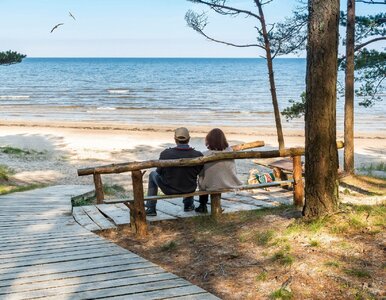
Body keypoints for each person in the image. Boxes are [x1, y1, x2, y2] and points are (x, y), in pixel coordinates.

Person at [145, 127, 203, 216]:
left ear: (175, 139)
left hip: (169, 189)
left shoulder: (166, 153)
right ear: (189, 139)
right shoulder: (197, 155)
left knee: (153, 174)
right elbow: (199, 171)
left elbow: (159, 172)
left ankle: (150, 208)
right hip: (189, 189)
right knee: (188, 176)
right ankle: (188, 205)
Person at [195, 128, 243, 213]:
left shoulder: (205, 154)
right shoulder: (230, 151)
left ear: (209, 140)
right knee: (215, 176)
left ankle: (202, 205)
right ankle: (208, 206)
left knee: (203, 178)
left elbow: (200, 172)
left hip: (212, 184)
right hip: (229, 181)